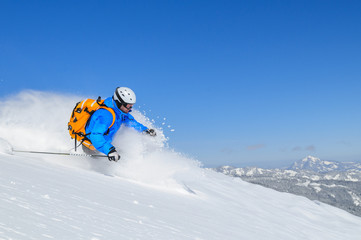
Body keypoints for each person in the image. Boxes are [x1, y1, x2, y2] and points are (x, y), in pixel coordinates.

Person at [83, 87, 156, 162]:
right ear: (119, 102)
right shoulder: (106, 115)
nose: (130, 109)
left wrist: (145, 130)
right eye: (128, 106)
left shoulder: (121, 113)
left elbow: (132, 123)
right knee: (122, 159)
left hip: (105, 144)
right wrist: (110, 150)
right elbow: (95, 135)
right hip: (92, 147)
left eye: (131, 106)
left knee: (126, 154)